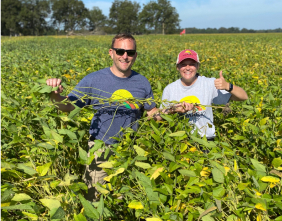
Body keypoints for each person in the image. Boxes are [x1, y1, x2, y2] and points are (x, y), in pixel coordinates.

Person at [46, 34, 192, 201]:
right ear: (111, 52)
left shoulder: (142, 82)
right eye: (120, 51)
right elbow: (68, 106)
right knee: (95, 200)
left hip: (130, 149)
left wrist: (174, 109)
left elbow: (152, 114)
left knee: (125, 200)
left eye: (130, 52)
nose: (125, 56)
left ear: (135, 55)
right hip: (100, 149)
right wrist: (54, 95)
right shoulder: (94, 79)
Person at [161, 49, 248, 140]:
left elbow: (243, 97)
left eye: (192, 64)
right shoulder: (170, 89)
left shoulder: (209, 84)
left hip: (206, 141)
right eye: (183, 64)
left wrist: (227, 86)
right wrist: (173, 110)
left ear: (198, 66)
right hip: (180, 141)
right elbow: (159, 116)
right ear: (177, 67)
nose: (187, 67)